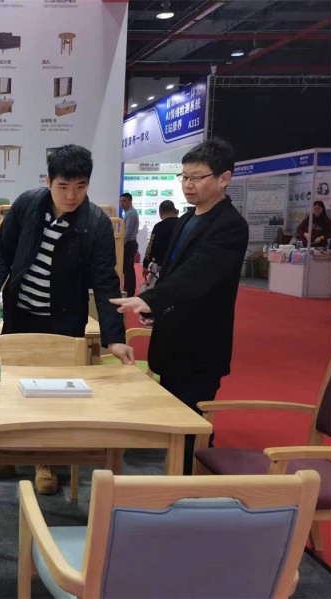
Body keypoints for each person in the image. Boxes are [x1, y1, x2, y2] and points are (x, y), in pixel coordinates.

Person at [0, 144, 134, 495]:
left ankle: (45, 462)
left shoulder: (95, 223)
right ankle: (2, 457)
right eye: (63, 186)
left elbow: (106, 282)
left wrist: (115, 338)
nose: (71, 196)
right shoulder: (27, 205)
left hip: (63, 321)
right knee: (7, 388)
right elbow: (2, 253)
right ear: (48, 181)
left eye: (80, 187)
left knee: (51, 394)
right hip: (21, 313)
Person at [110, 138, 249, 475]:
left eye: (197, 177)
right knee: (173, 422)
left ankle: (194, 489)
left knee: (192, 428)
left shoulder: (230, 225)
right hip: (173, 340)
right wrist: (157, 310)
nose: (188, 184)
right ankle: (177, 481)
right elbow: (172, 273)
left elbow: (197, 275)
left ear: (224, 178)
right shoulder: (187, 219)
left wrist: (150, 299)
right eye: (184, 177)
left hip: (201, 345)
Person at [141, 200, 181, 289]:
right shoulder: (182, 224)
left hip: (161, 266)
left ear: (160, 212)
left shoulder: (158, 226)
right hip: (178, 265)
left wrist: (145, 264)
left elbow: (150, 247)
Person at [119, 192, 139, 297]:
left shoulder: (130, 213)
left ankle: (129, 291)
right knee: (128, 268)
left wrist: (120, 245)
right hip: (129, 243)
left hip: (129, 244)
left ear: (130, 201)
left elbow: (127, 232)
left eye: (124, 201)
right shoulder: (128, 213)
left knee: (128, 269)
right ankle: (129, 290)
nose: (122, 203)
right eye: (120, 201)